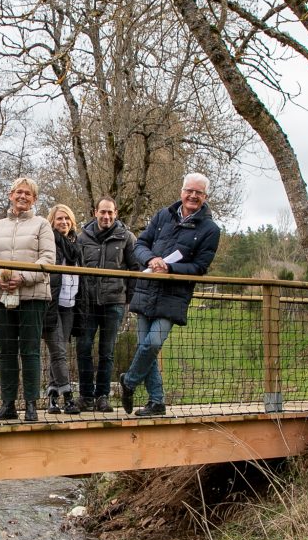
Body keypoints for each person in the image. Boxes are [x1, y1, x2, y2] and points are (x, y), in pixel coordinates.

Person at [119, 173, 221, 416]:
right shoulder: (162, 216)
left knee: (152, 343)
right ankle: (157, 402)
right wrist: (152, 259)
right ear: (181, 192)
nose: (193, 196)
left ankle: (129, 382)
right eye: (189, 191)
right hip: (147, 290)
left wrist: (170, 267)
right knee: (147, 349)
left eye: (198, 192)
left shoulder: (210, 229)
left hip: (173, 296)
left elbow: (199, 267)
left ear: (205, 197)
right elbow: (140, 245)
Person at [0, 177, 55, 422]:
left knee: (30, 350)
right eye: (18, 192)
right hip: (2, 297)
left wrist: (22, 277)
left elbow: (47, 259)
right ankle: (8, 403)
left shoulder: (42, 225)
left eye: (28, 194)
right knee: (6, 351)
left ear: (34, 199)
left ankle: (32, 404)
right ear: (10, 195)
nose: (22, 197)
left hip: (33, 296)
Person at [75, 197, 138, 413]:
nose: (106, 216)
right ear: (95, 212)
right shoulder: (83, 238)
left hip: (114, 302)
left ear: (116, 213)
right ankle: (85, 396)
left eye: (110, 212)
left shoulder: (127, 238)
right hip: (88, 303)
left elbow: (135, 270)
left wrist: (128, 300)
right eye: (103, 212)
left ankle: (102, 396)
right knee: (83, 347)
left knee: (107, 351)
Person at [43, 204, 82, 415]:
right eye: (59, 219)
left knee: (60, 352)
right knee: (58, 351)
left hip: (70, 304)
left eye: (67, 219)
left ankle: (52, 397)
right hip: (51, 303)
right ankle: (67, 397)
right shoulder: (48, 242)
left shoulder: (76, 245)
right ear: (52, 221)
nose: (64, 222)